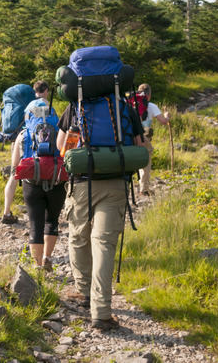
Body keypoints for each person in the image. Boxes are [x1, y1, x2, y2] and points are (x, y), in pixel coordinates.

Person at [56, 98, 147, 330]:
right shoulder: (125, 108)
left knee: (78, 236)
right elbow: (142, 148)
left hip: (81, 185)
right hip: (115, 184)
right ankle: (102, 313)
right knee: (104, 245)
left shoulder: (75, 107)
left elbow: (61, 146)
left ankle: (84, 291)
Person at [10, 99, 66, 271]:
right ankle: (48, 257)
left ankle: (38, 266)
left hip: (31, 183)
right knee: (52, 221)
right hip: (57, 181)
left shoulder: (23, 134)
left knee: (35, 224)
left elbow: (14, 166)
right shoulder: (60, 132)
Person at [1, 81, 50, 224]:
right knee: (40, 173)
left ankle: (6, 212)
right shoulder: (42, 104)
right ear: (46, 90)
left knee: (14, 175)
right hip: (33, 142)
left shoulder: (26, 104)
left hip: (17, 138)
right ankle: (40, 212)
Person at [136, 83, 170, 196]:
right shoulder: (151, 106)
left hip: (129, 136)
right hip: (144, 138)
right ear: (149, 95)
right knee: (146, 160)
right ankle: (144, 188)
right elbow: (164, 122)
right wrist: (167, 115)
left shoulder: (131, 104)